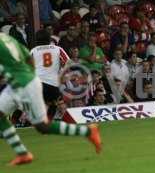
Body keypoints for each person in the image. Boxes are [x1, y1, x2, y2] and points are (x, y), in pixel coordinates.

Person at [0, 33, 101, 166]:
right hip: (32, 82)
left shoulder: (34, 50)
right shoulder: (7, 38)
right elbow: (28, 59)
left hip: (25, 83)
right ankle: (22, 152)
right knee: (44, 119)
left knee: (43, 125)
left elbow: (28, 60)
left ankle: (88, 131)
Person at [30, 29, 70, 104]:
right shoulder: (58, 49)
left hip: (39, 83)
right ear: (49, 39)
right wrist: (62, 70)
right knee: (54, 105)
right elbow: (68, 62)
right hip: (53, 83)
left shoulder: (33, 51)